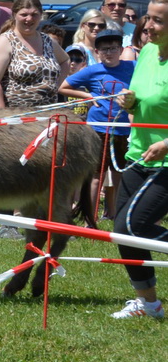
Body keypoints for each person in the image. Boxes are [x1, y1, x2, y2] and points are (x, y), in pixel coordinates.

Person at [110, 0, 168, 319]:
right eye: (149, 19)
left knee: (132, 224)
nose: (149, 26)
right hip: (138, 155)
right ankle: (149, 304)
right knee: (123, 233)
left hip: (165, 161)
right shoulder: (145, 52)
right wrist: (128, 102)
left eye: (158, 21)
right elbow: (139, 102)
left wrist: (166, 144)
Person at [61, 24, 132, 221]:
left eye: (113, 48)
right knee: (95, 176)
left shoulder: (131, 67)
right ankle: (90, 220)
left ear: (121, 49)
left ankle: (116, 215)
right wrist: (87, 95)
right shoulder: (92, 71)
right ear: (97, 52)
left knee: (118, 174)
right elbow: (64, 87)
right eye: (105, 49)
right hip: (98, 129)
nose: (109, 52)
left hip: (123, 129)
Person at [0, 0, 70, 111]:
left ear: (41, 15)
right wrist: (2, 116)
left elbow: (65, 60)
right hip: (15, 118)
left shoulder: (48, 41)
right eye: (24, 14)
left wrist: (55, 86)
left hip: (46, 115)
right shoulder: (5, 41)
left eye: (34, 15)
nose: (29, 19)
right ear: (15, 15)